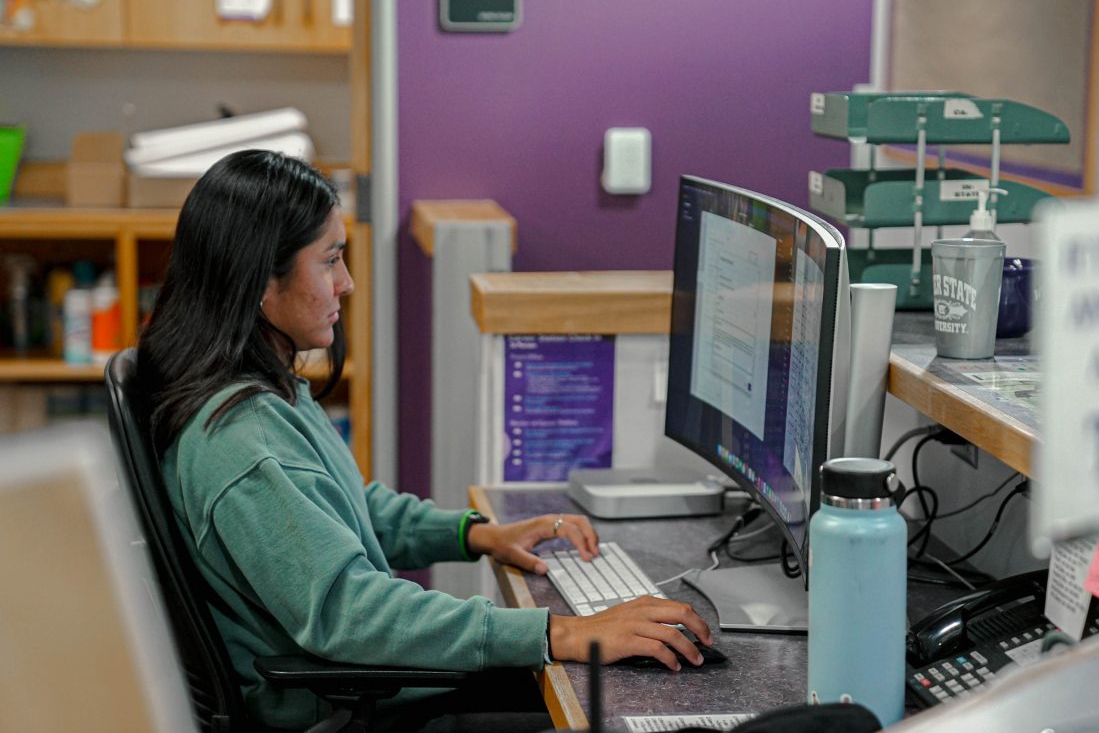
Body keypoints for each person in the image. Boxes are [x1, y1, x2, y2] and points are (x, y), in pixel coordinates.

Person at [136, 150, 712, 733]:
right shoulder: (243, 441)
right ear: (261, 282)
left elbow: (348, 511)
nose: (348, 282)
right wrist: (561, 632)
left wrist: (477, 534)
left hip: (369, 689)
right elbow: (350, 613)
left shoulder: (262, 389)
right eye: (330, 260)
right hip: (349, 709)